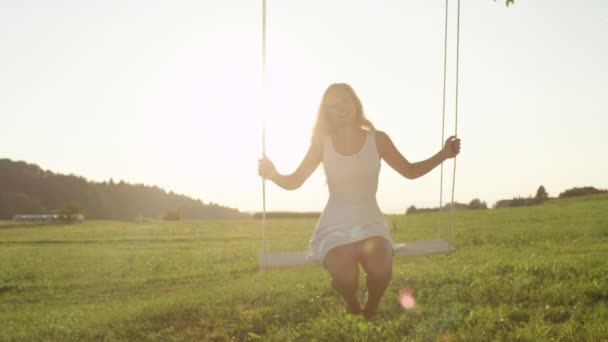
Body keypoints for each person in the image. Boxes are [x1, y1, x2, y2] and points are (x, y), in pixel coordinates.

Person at [258, 83, 461, 319]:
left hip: (370, 221)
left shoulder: (378, 140)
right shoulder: (322, 144)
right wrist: (273, 175)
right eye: (333, 105)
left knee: (381, 270)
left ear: (355, 103)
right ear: (327, 112)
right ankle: (350, 297)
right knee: (346, 275)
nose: (341, 108)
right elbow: (295, 181)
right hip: (334, 224)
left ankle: (372, 301)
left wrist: (444, 154)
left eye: (345, 100)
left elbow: (410, 171)